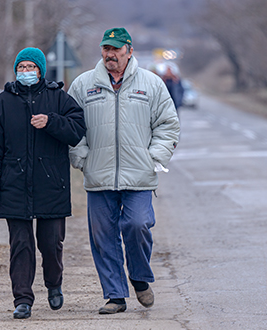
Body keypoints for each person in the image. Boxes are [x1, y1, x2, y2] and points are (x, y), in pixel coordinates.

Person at [68, 27, 180, 314]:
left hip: (139, 175)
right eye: (106, 49)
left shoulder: (151, 84)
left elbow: (168, 124)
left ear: (129, 51)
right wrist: (81, 158)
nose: (110, 54)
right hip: (99, 175)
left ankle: (140, 279)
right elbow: (72, 127)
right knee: (103, 236)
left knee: (137, 224)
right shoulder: (83, 85)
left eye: (116, 49)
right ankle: (115, 296)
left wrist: (154, 157)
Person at [0, 47, 86, 319]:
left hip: (51, 183)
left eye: (31, 67)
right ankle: (22, 299)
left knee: (51, 243)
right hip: (13, 183)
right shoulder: (2, 103)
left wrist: (50, 122)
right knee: (21, 245)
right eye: (22, 67)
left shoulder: (59, 98)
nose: (26, 72)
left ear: (41, 70)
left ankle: (54, 284)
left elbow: (76, 131)